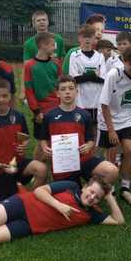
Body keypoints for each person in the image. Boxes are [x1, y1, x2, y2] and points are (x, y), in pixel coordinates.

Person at [38, 75, 119, 184]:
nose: (67, 92)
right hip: (63, 164)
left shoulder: (84, 115)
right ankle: (80, 188)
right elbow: (43, 138)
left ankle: (91, 188)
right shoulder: (49, 116)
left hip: (84, 159)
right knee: (72, 193)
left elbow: (90, 139)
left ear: (76, 92)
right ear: (57, 93)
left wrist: (88, 146)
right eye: (63, 89)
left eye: (71, 88)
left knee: (112, 171)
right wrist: (44, 147)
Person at [0, 78, 47, 204]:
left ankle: (31, 200)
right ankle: (17, 195)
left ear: (10, 96)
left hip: (18, 164)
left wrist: (23, 145)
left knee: (41, 169)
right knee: (8, 206)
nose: (1, 99)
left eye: (4, 96)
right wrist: (0, 165)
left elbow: (25, 137)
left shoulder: (18, 116)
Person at [98, 47, 131, 204]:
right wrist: (111, 130)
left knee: (130, 149)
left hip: (126, 118)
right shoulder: (114, 75)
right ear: (124, 61)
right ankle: (109, 188)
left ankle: (125, 187)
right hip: (108, 119)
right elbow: (104, 104)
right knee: (111, 153)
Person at [23, 32, 62, 160]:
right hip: (41, 110)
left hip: (57, 108)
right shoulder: (29, 65)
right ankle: (36, 167)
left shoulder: (56, 63)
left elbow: (61, 85)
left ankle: (55, 165)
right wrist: (36, 111)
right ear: (42, 45)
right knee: (41, 141)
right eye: (52, 45)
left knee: (56, 139)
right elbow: (29, 90)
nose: (55, 48)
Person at [67, 24, 106, 123]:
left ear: (94, 38)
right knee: (80, 127)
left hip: (97, 101)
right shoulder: (74, 55)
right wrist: (94, 75)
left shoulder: (100, 56)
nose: (87, 39)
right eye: (84, 36)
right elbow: (74, 79)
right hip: (80, 101)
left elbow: (103, 79)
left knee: (95, 127)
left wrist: (84, 76)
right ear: (79, 38)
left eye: (90, 36)